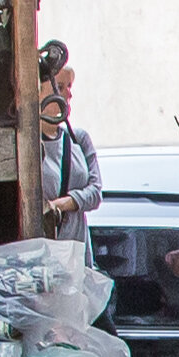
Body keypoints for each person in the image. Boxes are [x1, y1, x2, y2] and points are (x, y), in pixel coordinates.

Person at [36, 39, 102, 239]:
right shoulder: (30, 145)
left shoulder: (78, 139)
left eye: (70, 86)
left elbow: (95, 193)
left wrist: (62, 204)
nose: (68, 94)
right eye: (60, 87)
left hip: (77, 248)